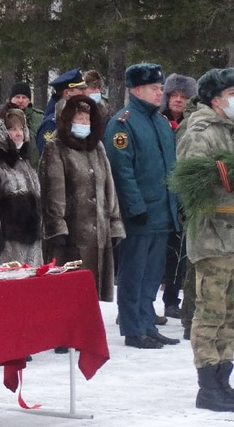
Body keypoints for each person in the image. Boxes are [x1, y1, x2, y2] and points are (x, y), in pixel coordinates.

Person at [176, 68, 234, 410]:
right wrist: (232, 177)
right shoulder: (200, 130)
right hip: (214, 234)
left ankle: (224, 379)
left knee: (232, 312)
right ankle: (207, 383)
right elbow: (194, 176)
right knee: (210, 311)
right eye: (232, 93)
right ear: (215, 100)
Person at [105, 63, 180, 349]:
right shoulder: (122, 124)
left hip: (162, 212)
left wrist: (176, 203)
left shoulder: (160, 122)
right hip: (140, 214)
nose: (160, 92)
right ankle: (133, 327)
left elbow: (170, 167)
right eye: (154, 88)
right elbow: (121, 170)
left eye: (160, 87)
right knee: (133, 273)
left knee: (152, 274)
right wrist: (135, 207)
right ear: (137, 90)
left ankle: (148, 323)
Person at [40, 95, 124, 300]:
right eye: (79, 118)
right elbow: (53, 192)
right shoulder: (56, 147)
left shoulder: (98, 148)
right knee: (69, 294)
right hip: (71, 236)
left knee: (92, 294)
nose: (84, 123)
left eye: (87, 119)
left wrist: (114, 223)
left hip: (99, 235)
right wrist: (57, 227)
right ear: (68, 120)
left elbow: (109, 188)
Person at [0, 106, 42, 266]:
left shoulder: (24, 162)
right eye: (11, 129)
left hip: (32, 244)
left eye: (21, 128)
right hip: (7, 246)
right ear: (0, 131)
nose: (18, 133)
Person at [159, 73, 197, 320]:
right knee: (154, 254)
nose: (178, 101)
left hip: (182, 195)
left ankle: (172, 299)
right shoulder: (158, 120)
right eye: (174, 95)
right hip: (160, 192)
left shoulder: (194, 124)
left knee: (178, 252)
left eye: (184, 96)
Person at [35, 69, 87, 152]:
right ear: (67, 93)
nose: (84, 93)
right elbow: (46, 157)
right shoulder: (51, 123)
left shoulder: (77, 116)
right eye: (80, 90)